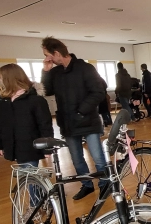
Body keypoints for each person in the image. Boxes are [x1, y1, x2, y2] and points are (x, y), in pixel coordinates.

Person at [41, 36, 107, 200]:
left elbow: (98, 92)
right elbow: (48, 91)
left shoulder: (85, 68)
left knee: (98, 157)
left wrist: (81, 111)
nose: (47, 58)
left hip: (88, 120)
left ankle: (105, 184)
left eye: (47, 55)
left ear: (56, 53)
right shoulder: (55, 72)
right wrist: (46, 72)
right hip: (69, 123)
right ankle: (87, 185)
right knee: (77, 159)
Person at [0, 64, 53, 166]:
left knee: (29, 178)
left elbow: (45, 125)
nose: (0, 80)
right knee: (25, 178)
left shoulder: (35, 100)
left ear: (9, 79)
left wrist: (47, 148)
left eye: (1, 77)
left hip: (29, 147)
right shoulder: (3, 100)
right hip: (13, 146)